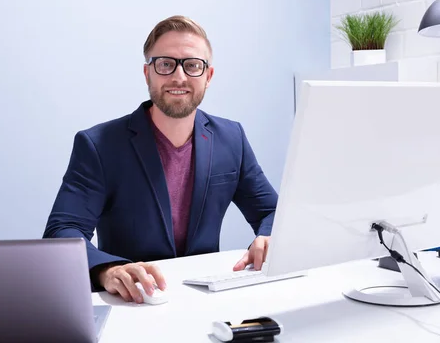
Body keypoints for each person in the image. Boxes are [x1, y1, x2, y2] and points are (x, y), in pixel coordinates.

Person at [43, 15, 278, 304]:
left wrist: (268, 238)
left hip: (206, 301)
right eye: (165, 64)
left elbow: (273, 211)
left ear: (208, 76)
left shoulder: (232, 138)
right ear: (147, 73)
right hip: (134, 301)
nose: (179, 77)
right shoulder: (98, 145)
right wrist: (108, 270)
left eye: (192, 65)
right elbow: (61, 233)